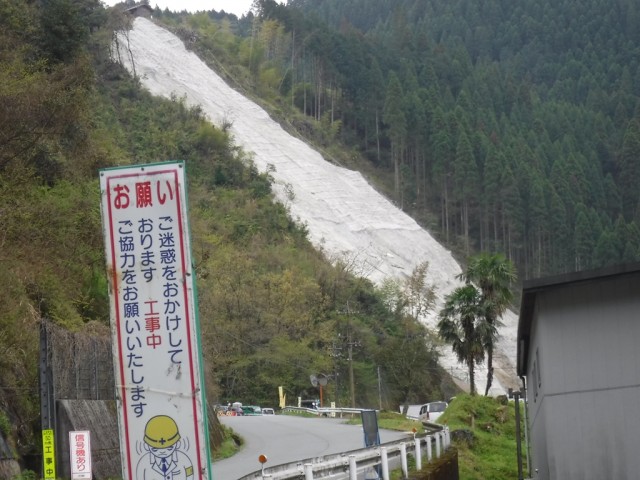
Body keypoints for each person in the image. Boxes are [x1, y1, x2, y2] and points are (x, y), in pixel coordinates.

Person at [136, 415, 194, 480]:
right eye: (155, 449)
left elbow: (190, 477)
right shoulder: (143, 464)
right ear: (146, 446)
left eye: (169, 448)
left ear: (177, 444)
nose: (162, 451)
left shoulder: (185, 460)